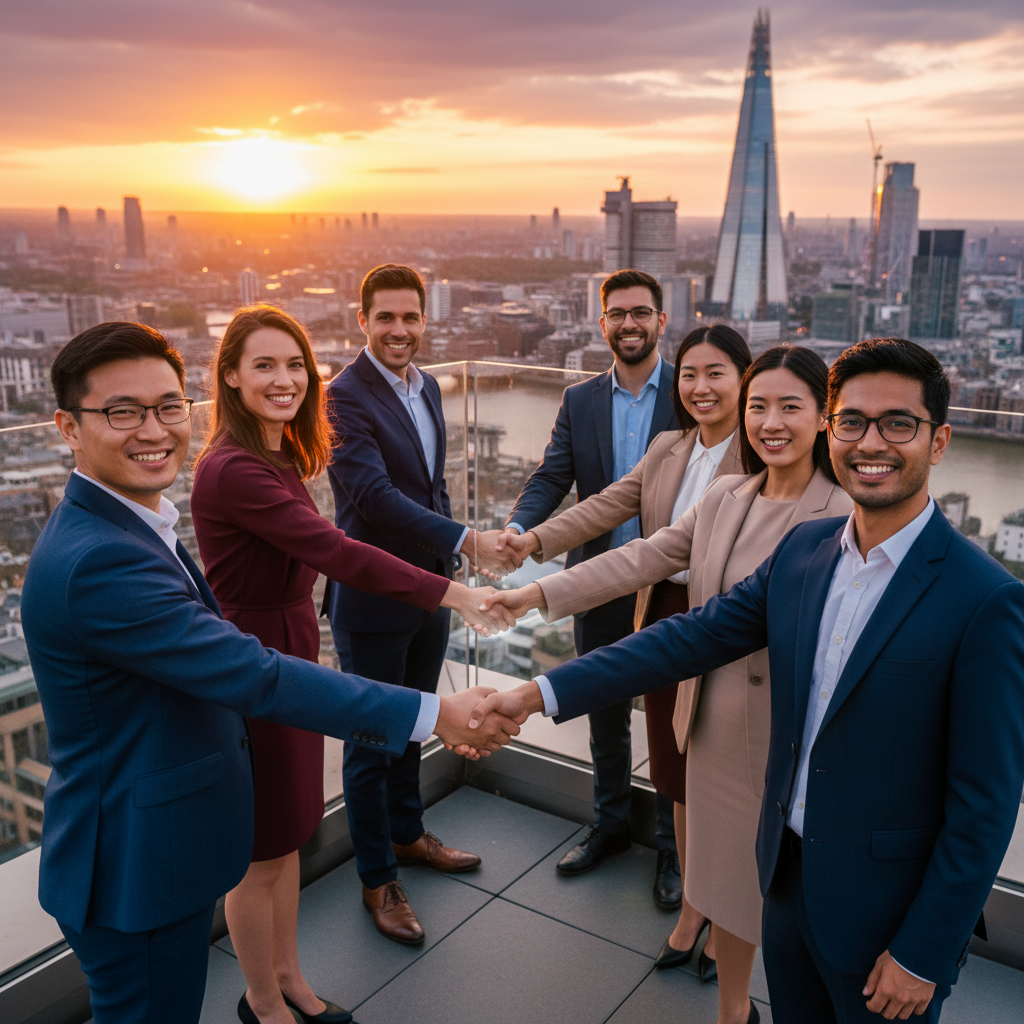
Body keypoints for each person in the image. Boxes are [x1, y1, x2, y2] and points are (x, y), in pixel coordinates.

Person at [470, 338, 1024, 1024]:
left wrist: (925, 953)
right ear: (834, 427)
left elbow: (986, 804)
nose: (870, 441)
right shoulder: (805, 554)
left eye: (898, 424)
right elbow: (685, 638)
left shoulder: (985, 600)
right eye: (853, 421)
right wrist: (535, 694)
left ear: (938, 442)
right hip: (784, 881)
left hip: (885, 917)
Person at [22, 322, 515, 1024]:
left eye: (167, 407)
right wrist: (437, 711)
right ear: (69, 426)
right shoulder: (102, 558)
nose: (153, 429)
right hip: (135, 865)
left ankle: (282, 985)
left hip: (154, 836)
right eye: (122, 412)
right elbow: (257, 670)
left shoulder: (129, 524)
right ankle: (267, 997)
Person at [487, 345, 852, 1024]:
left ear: (825, 417)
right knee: (719, 876)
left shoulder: (842, 513)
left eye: (790, 407)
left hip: (786, 737)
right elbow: (640, 557)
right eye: (759, 407)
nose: (771, 422)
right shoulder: (725, 495)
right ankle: (733, 1009)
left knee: (775, 896)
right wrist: (531, 595)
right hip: (709, 718)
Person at [191, 306, 513, 1024]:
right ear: (232, 378)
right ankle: (264, 1004)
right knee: (263, 850)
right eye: (264, 366)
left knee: (292, 835)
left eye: (295, 364)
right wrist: (456, 591)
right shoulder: (234, 468)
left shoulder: (272, 455)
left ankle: (291, 981)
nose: (284, 379)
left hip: (291, 640)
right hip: (256, 658)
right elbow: (339, 552)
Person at [500, 322, 750, 960]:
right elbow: (608, 508)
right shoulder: (670, 447)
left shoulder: (762, 458)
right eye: (690, 374)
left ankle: (729, 917)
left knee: (724, 775)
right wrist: (533, 545)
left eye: (717, 373)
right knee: (674, 768)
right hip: (663, 608)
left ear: (744, 379)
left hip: (731, 624)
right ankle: (695, 909)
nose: (700, 387)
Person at [324, 264, 521, 945]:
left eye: (411, 317)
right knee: (371, 740)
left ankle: (407, 836)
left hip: (431, 587)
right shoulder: (342, 398)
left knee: (416, 721)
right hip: (375, 596)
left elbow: (429, 489)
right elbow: (373, 499)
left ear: (424, 320)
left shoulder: (429, 385)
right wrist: (470, 539)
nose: (400, 330)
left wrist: (452, 556)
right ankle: (377, 878)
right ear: (363, 320)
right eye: (386, 318)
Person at [498, 268, 682, 905]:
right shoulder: (580, 400)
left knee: (670, 722)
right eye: (617, 314)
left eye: (641, 313)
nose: (628, 324)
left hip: (671, 585)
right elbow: (554, 476)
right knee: (605, 712)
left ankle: (672, 847)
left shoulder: (689, 394)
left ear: (662, 321)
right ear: (601, 323)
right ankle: (607, 827)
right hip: (598, 580)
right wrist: (521, 527)